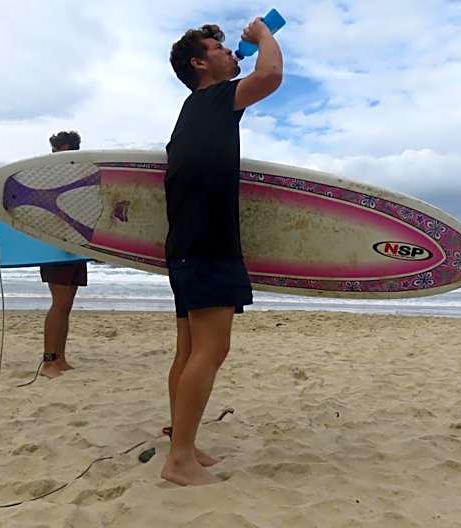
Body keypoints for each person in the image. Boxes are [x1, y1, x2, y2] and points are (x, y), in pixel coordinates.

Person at [162, 19, 283, 485]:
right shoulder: (213, 99)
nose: (232, 53)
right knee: (211, 349)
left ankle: (182, 443)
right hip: (209, 241)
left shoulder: (191, 111)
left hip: (185, 244)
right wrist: (264, 36)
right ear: (199, 63)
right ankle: (178, 462)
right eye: (220, 48)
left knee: (189, 350)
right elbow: (270, 76)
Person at [39, 130, 86, 379]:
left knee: (66, 306)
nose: (58, 155)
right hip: (55, 248)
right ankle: (48, 361)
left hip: (76, 248)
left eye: (63, 150)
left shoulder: (80, 180)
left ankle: (61, 358)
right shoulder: (47, 180)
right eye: (55, 151)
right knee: (59, 303)